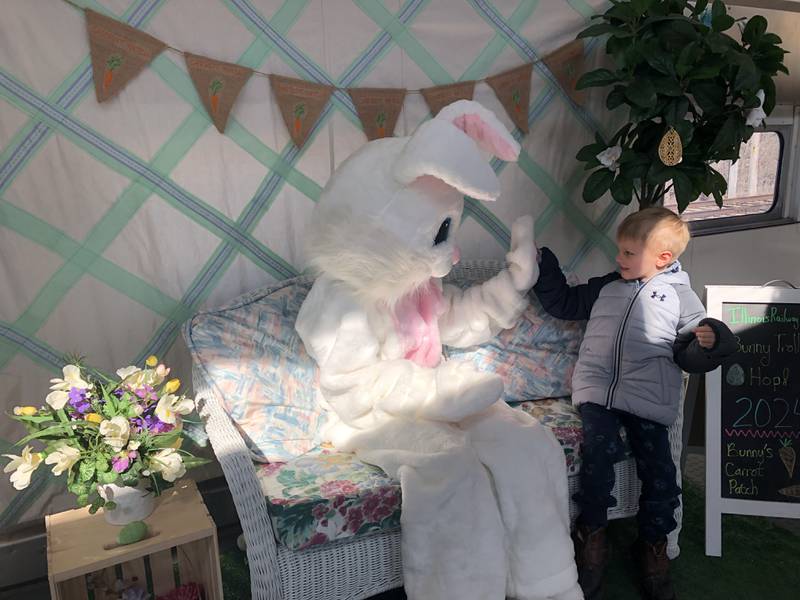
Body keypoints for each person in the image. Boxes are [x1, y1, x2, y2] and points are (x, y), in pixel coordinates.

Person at [533, 207, 736, 600]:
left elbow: (688, 355)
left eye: (628, 253)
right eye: (619, 251)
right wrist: (545, 267)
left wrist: (711, 342)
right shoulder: (608, 286)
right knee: (598, 456)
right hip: (598, 394)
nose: (618, 259)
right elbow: (565, 304)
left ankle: (653, 547)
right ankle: (591, 540)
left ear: (663, 258)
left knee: (661, 472)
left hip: (648, 398)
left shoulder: (682, 299)